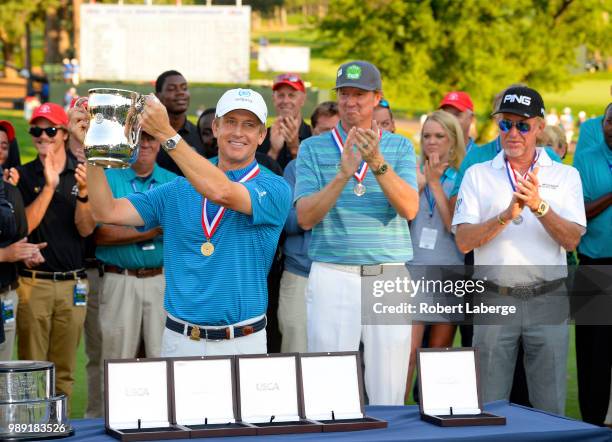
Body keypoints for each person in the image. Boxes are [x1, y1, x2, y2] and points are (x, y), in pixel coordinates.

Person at [77, 89, 291, 357]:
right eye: (231, 122)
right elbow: (106, 211)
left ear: (262, 135)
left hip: (243, 339)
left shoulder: (274, 187)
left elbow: (222, 192)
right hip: (181, 339)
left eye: (249, 125)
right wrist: (93, 147)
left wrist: (167, 133)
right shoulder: (178, 188)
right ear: (216, 127)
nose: (238, 132)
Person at [452, 86, 586, 415]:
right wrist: (505, 216)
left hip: (548, 296)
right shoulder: (478, 174)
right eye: (505, 124)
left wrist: (539, 207)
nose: (513, 133)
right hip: (495, 297)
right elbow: (463, 241)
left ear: (539, 127)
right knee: (488, 404)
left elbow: (571, 241)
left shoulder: (566, 176)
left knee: (550, 404)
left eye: (522, 125)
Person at [295, 61, 419, 405]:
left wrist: (376, 161)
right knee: (329, 386)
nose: (351, 102)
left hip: (387, 273)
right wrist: (342, 174)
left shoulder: (400, 147)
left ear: (377, 98)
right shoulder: (313, 148)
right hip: (333, 271)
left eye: (360, 94)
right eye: (344, 94)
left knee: (390, 386)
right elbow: (305, 217)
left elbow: (409, 208)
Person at [16, 103, 95, 400]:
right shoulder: (23, 176)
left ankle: (56, 425)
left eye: (50, 130)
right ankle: (29, 427)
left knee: (64, 370)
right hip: (33, 283)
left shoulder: (82, 173)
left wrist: (85, 194)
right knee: (30, 368)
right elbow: (23, 226)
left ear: (64, 134)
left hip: (72, 284)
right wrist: (49, 187)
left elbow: (86, 230)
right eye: (37, 131)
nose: (43, 136)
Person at [95, 131, 176, 362]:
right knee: (116, 361)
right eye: (139, 138)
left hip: (161, 280)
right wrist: (153, 230)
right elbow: (100, 234)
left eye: (151, 138)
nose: (145, 144)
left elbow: (182, 231)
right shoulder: (109, 178)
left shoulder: (173, 182)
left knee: (163, 360)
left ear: (159, 143)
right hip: (121, 279)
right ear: (129, 142)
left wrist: (128, 230)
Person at [405, 110, 466, 401]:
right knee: (407, 357)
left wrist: (434, 183)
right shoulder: (410, 171)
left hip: (449, 272)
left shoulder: (462, 176)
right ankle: (395, 416)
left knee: (436, 359)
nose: (432, 142)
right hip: (413, 270)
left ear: (453, 141)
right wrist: (420, 182)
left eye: (439, 136)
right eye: (427, 135)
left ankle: (428, 418)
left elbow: (454, 225)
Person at [278, 101, 339, 353]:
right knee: (295, 349)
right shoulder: (294, 169)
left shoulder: (354, 172)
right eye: (323, 131)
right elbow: (288, 221)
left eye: (335, 131)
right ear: (311, 132)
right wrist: (318, 210)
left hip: (339, 273)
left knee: (334, 353)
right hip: (300, 273)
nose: (329, 138)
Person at [572, 102, 612, 427]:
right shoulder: (584, 159)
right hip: (594, 266)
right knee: (592, 354)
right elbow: (579, 213)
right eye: (611, 122)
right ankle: (592, 425)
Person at [154, 70, 205, 175]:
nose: (181, 92)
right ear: (158, 96)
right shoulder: (147, 134)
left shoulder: (199, 135)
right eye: (172, 89)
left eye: (184, 88)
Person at [258, 73, 312, 170]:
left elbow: (313, 180)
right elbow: (256, 181)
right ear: (273, 99)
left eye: (292, 95)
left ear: (303, 99)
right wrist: (273, 151)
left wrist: (294, 149)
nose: (286, 101)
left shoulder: (313, 136)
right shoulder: (260, 137)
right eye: (280, 95)